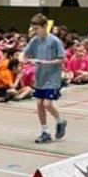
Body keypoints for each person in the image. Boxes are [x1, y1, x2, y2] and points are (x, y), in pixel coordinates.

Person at [23, 14, 68, 143]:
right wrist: (27, 60)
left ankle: (60, 121)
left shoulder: (54, 41)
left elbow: (63, 59)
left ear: (44, 27)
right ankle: (45, 131)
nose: (35, 31)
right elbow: (24, 55)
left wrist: (49, 62)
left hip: (52, 77)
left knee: (47, 103)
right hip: (39, 77)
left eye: (37, 28)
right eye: (33, 28)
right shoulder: (34, 41)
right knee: (39, 104)